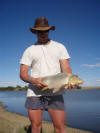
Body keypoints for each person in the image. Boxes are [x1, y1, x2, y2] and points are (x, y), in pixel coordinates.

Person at [20, 17, 73, 133]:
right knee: (35, 127)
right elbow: (23, 74)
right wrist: (34, 81)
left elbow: (66, 67)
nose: (43, 33)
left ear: (49, 31)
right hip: (34, 93)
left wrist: (69, 79)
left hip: (55, 92)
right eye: (40, 31)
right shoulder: (29, 50)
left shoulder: (60, 47)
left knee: (60, 128)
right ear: (35, 32)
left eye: (45, 31)